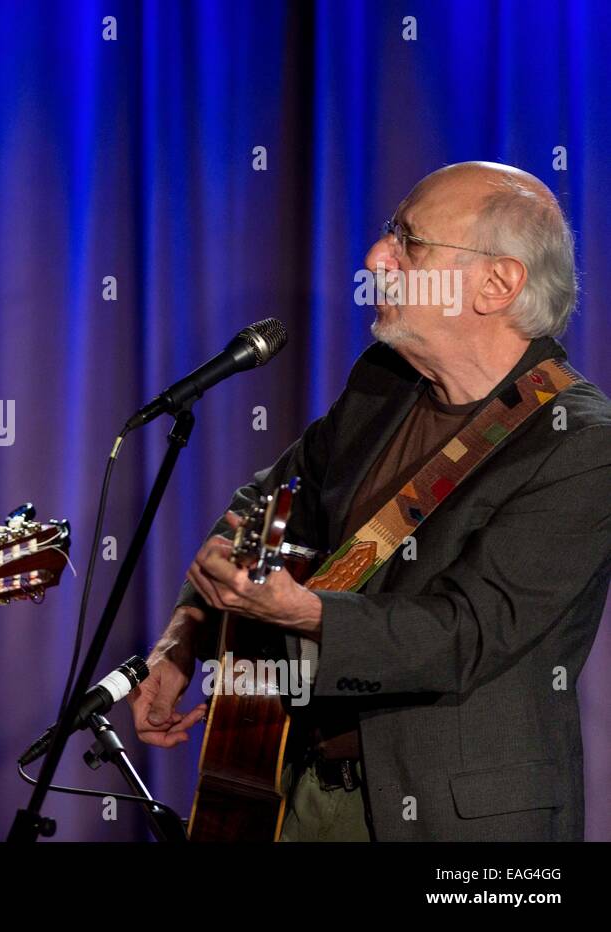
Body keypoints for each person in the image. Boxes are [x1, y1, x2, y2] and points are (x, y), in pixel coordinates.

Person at [128, 161, 611, 841]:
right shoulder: (384, 383)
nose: (375, 257)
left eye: (408, 241)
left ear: (497, 284)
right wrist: (187, 633)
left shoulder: (582, 444)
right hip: (298, 791)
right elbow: (265, 501)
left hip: (455, 822)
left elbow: (465, 635)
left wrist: (306, 611)